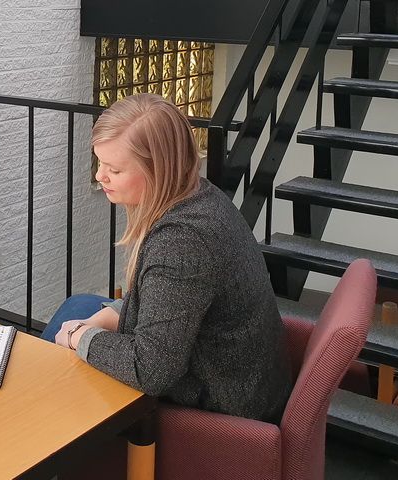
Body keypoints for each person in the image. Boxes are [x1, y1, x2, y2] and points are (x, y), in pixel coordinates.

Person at [41, 94, 291, 423]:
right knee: (77, 311)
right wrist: (98, 324)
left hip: (223, 404)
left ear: (158, 169)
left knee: (53, 373)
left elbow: (151, 370)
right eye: (99, 162)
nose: (100, 176)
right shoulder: (200, 194)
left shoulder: (182, 241)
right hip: (241, 377)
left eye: (114, 169)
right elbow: (165, 305)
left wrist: (80, 337)